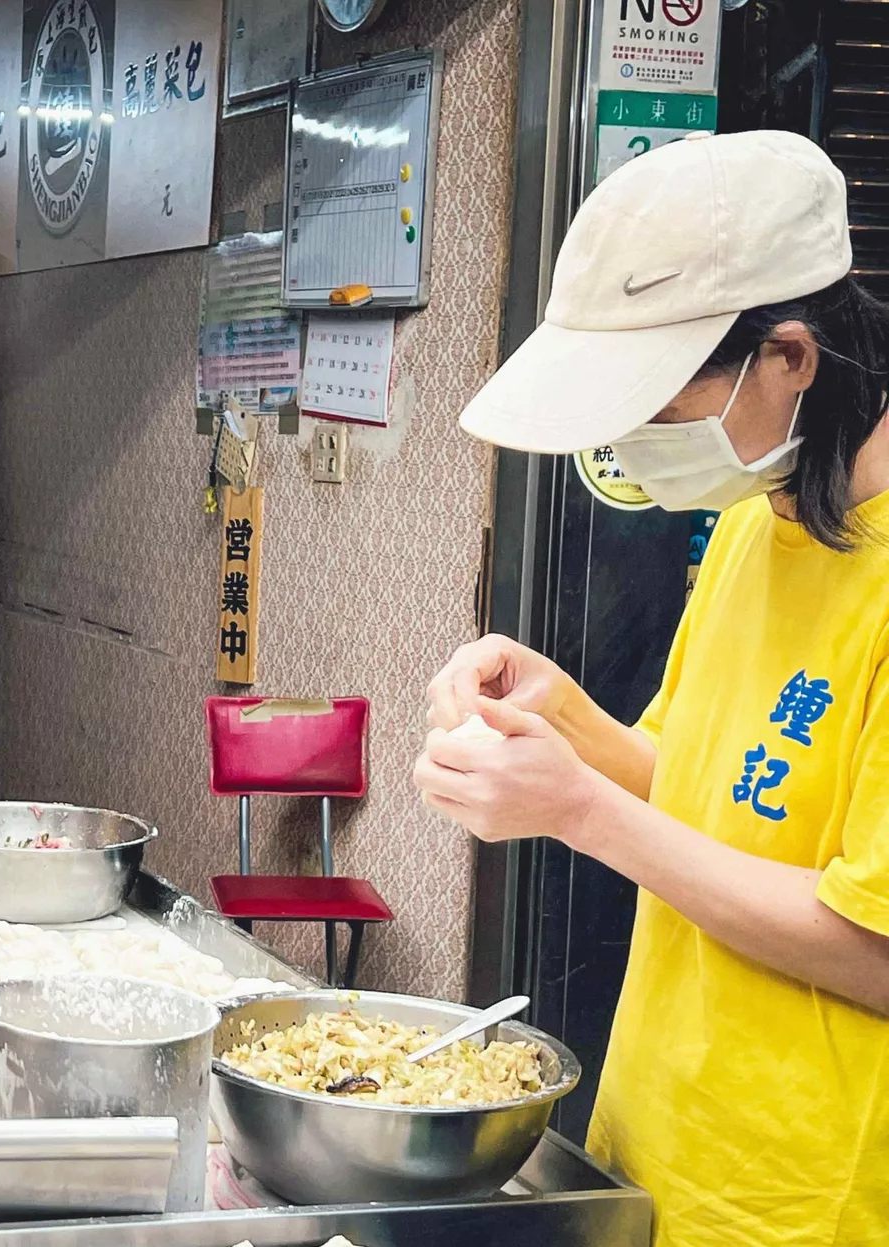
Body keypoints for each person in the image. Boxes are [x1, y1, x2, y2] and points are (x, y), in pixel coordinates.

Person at [414, 130, 889, 1247]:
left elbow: (870, 946)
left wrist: (577, 809)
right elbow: (712, 790)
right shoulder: (755, 515)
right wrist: (567, 720)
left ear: (791, 357)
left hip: (802, 1200)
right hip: (654, 1144)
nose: (637, 444)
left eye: (660, 405)